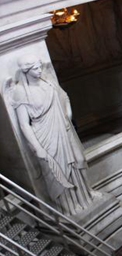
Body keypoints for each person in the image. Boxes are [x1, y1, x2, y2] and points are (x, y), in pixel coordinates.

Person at [8, 55, 98, 215]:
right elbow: (23, 124)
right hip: (46, 136)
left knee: (78, 160)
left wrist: (67, 115)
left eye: (39, 67)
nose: (39, 70)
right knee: (59, 173)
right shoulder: (21, 93)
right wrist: (37, 147)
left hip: (63, 129)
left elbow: (64, 97)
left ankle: (85, 195)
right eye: (35, 68)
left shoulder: (47, 82)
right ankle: (69, 208)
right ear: (26, 71)